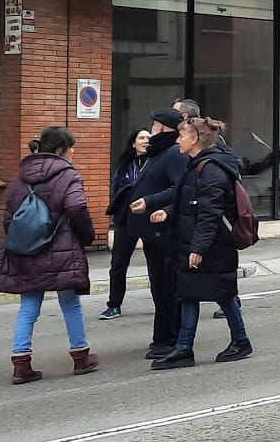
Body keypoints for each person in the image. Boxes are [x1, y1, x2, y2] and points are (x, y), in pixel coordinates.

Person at [0, 127, 99, 382]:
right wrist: (86, 236)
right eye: (71, 147)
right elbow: (77, 208)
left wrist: (26, 238)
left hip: (27, 250)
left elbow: (9, 217)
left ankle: (21, 362)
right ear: (62, 149)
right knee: (70, 302)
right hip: (62, 248)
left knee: (28, 306)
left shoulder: (22, 177)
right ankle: (81, 356)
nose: (73, 152)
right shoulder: (68, 176)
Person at [152, 116, 252, 368]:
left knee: (222, 293)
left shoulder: (211, 170)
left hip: (211, 245)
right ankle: (186, 348)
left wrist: (198, 248)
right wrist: (169, 211)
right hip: (196, 241)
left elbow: (209, 213)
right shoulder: (198, 165)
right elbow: (190, 201)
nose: (177, 141)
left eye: (181, 136)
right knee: (191, 293)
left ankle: (238, 341)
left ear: (194, 139)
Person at [124, 111, 189, 357]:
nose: (151, 130)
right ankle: (164, 336)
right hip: (152, 231)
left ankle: (168, 339)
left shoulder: (174, 154)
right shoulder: (158, 153)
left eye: (155, 125)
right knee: (159, 287)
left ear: (164, 129)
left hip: (165, 232)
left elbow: (179, 188)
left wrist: (151, 201)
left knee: (166, 288)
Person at [100, 128, 152, 320]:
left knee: (155, 265)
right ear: (133, 143)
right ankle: (114, 305)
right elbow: (117, 188)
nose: (145, 141)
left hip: (149, 218)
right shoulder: (125, 164)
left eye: (148, 138)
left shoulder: (155, 162)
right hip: (125, 219)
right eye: (141, 138)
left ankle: (162, 303)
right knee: (118, 264)